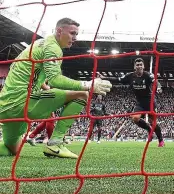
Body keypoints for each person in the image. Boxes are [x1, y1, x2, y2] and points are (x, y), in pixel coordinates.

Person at [0, 18, 112, 158]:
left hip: (5, 107)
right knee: (82, 94)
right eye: (72, 33)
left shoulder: (38, 44)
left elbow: (25, 70)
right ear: (59, 31)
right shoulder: (53, 48)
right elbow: (56, 80)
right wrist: (88, 85)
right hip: (23, 104)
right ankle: (55, 143)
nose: (75, 38)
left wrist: (45, 87)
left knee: (12, 151)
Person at [100, 58, 164, 147]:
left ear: (143, 66)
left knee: (154, 123)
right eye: (137, 65)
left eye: (140, 64)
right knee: (135, 118)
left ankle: (160, 140)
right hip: (140, 103)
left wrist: (159, 87)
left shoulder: (148, 75)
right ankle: (149, 130)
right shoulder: (130, 76)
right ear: (134, 66)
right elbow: (118, 79)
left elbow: (156, 81)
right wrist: (104, 78)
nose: (139, 66)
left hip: (150, 102)